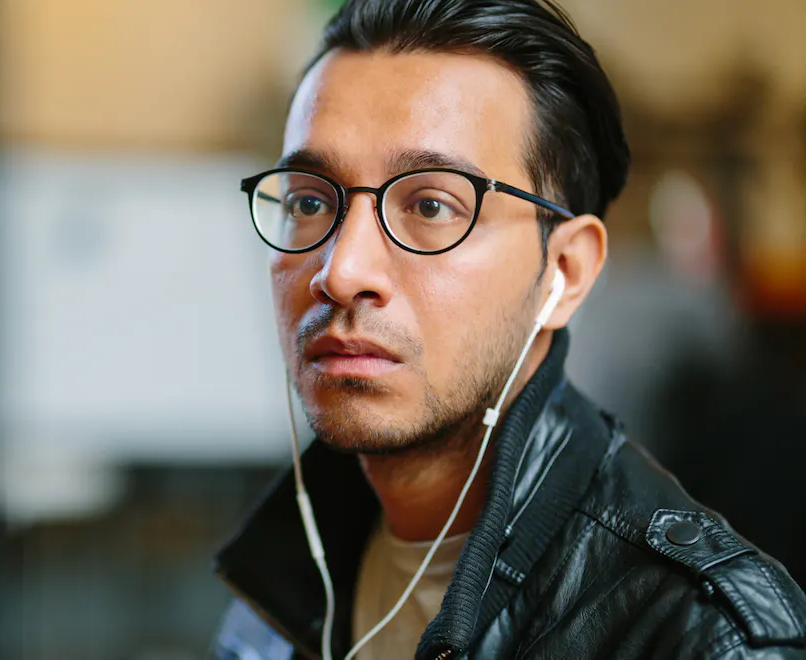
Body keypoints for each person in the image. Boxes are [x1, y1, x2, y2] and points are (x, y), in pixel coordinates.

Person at [209, 1, 806, 658]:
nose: (342, 270)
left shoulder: (701, 637)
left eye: (432, 205)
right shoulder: (277, 589)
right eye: (310, 201)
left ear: (565, 272)